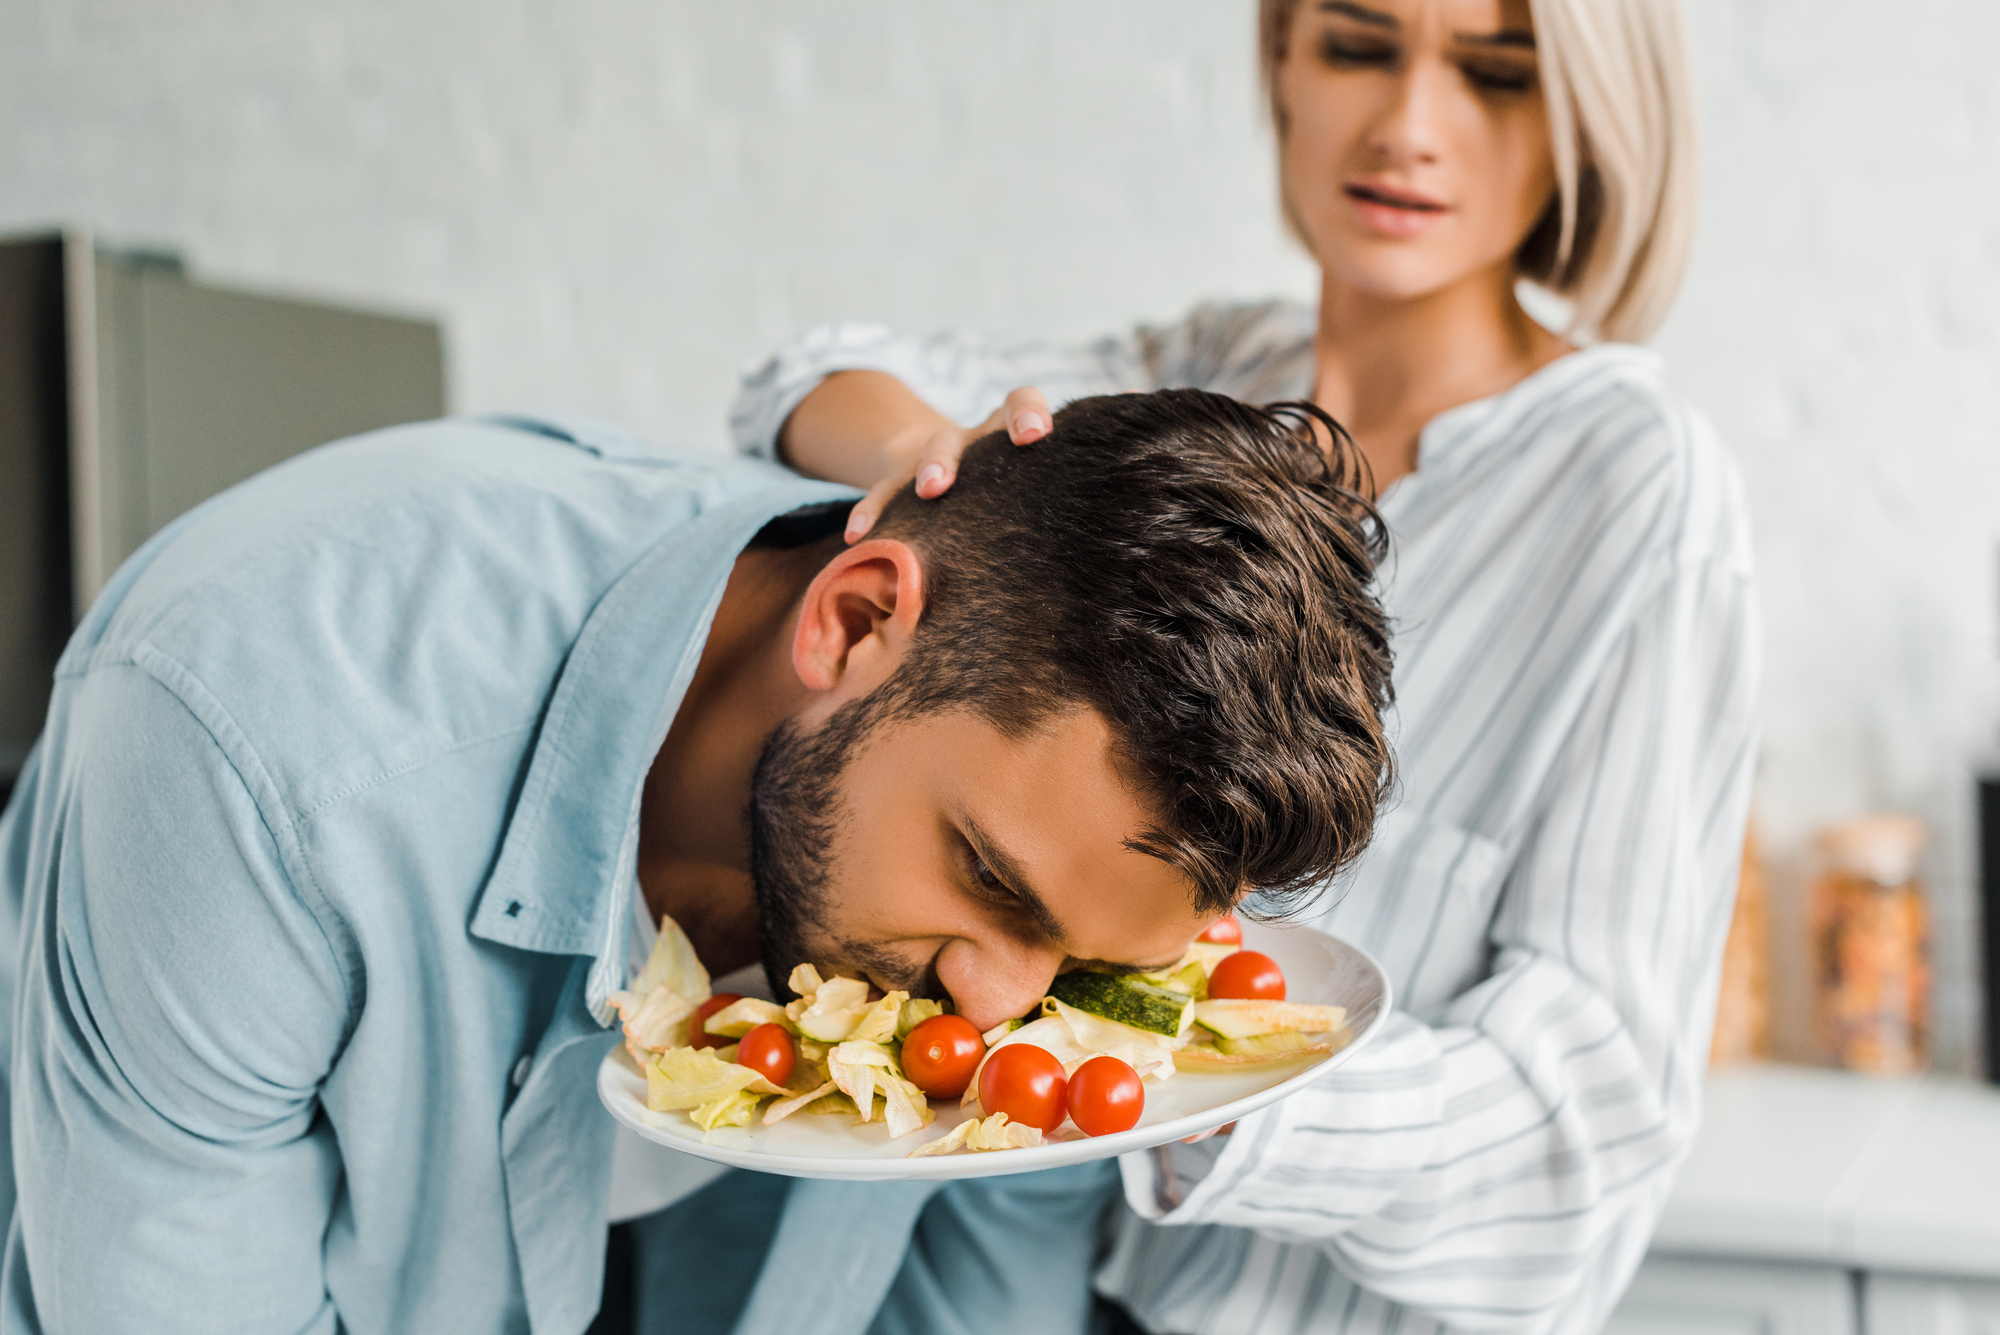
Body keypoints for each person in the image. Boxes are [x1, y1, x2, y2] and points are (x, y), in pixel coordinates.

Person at [718, 0, 1759, 1331]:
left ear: (1591, 122)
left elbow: (1591, 1120)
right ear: (1282, 61)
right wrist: (938, 471)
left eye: (1495, 77)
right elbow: (795, 380)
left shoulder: (1640, 487)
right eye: (1357, 47)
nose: (1407, 129)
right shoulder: (1213, 377)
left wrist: (1175, 1079)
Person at [0, 389, 1395, 1333]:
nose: (993, 1016)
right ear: (854, 623)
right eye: (989, 881)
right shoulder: (261, 739)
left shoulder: (1031, 932)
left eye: (1077, 962)